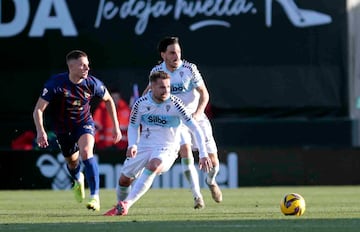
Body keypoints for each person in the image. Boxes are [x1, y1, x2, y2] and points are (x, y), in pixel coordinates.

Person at [104, 71, 212, 216]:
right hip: (144, 145)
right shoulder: (141, 104)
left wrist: (203, 154)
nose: (166, 91)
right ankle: (119, 206)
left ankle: (127, 204)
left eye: (168, 87)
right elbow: (133, 126)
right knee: (124, 180)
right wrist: (133, 145)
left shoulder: (176, 104)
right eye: (162, 87)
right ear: (152, 87)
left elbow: (195, 128)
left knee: (153, 165)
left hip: (167, 147)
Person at [33, 50, 122, 211]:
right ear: (71, 66)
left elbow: (108, 100)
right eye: (82, 65)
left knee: (87, 152)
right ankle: (77, 178)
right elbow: (38, 110)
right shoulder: (56, 84)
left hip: (84, 124)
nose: (86, 68)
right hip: (62, 128)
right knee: (72, 163)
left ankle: (95, 197)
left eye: (87, 65)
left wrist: (116, 126)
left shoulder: (92, 83)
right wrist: (41, 131)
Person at [143, 36, 222, 208]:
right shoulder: (157, 72)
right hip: (176, 122)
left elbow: (204, 94)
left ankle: (211, 181)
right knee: (185, 152)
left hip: (196, 118)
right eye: (172, 53)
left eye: (178, 52)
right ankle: (197, 196)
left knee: (213, 162)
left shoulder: (189, 69)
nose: (176, 56)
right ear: (163, 55)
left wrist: (199, 113)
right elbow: (147, 95)